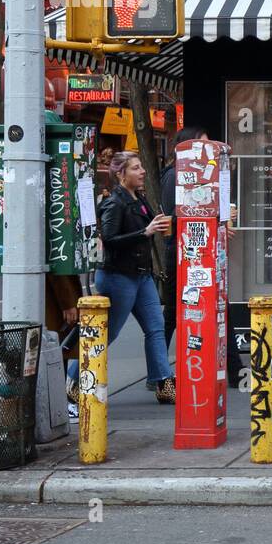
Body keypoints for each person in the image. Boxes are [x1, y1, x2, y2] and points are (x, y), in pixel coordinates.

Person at [67, 151, 176, 405]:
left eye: (141, 166)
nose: (142, 171)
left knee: (156, 328)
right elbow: (109, 239)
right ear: (121, 174)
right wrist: (145, 232)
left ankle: (163, 383)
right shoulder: (114, 203)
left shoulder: (139, 197)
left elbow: (150, 226)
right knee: (107, 332)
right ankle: (73, 379)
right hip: (118, 277)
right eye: (136, 168)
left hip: (142, 275)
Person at [160, 127, 243, 389]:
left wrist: (219, 221)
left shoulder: (205, 178)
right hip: (183, 255)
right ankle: (158, 371)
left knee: (220, 308)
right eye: (204, 146)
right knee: (172, 314)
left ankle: (235, 369)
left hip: (204, 254)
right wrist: (214, 219)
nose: (209, 152)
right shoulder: (173, 176)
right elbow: (175, 218)